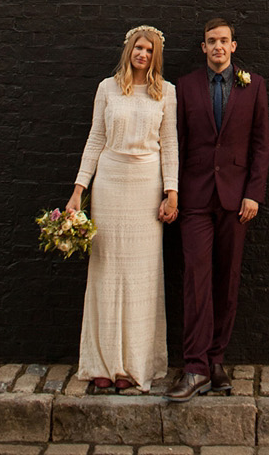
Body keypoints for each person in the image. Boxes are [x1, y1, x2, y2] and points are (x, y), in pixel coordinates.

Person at [66, 24, 178, 395]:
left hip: (146, 188)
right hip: (110, 186)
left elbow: (170, 145)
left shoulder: (167, 93)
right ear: (129, 50)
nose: (142, 54)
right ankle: (102, 363)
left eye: (149, 50)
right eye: (138, 48)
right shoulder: (107, 88)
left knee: (141, 278)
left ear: (155, 55)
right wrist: (78, 192)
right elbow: (95, 138)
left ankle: (132, 365)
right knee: (107, 272)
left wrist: (171, 192)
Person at [167, 17, 269, 401]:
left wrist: (253, 194)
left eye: (224, 41)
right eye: (211, 41)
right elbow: (175, 142)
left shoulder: (253, 85)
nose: (218, 47)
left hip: (235, 201)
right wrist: (172, 190)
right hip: (194, 200)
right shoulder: (185, 87)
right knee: (196, 279)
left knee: (227, 280)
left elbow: (261, 145)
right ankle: (193, 366)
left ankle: (215, 360)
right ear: (203, 47)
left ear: (234, 45)